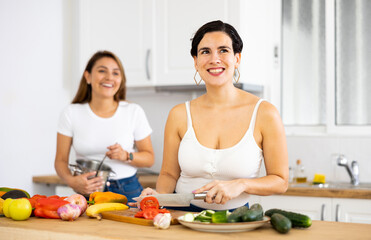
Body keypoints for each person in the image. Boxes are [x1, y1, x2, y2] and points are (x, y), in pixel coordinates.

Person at [132, 20, 288, 211]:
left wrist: (242, 184)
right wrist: (160, 197)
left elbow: (280, 181)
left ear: (237, 59)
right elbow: (168, 174)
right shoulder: (179, 114)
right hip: (181, 216)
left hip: (236, 219)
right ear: (196, 62)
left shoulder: (265, 113)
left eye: (223, 50)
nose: (214, 59)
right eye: (205, 51)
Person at [55, 50, 155, 202]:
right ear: (88, 76)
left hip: (127, 190)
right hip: (86, 190)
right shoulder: (71, 112)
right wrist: (72, 181)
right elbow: (60, 161)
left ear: (121, 80)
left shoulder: (133, 111)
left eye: (116, 73)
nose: (109, 77)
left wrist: (126, 155)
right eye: (102, 71)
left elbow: (149, 158)